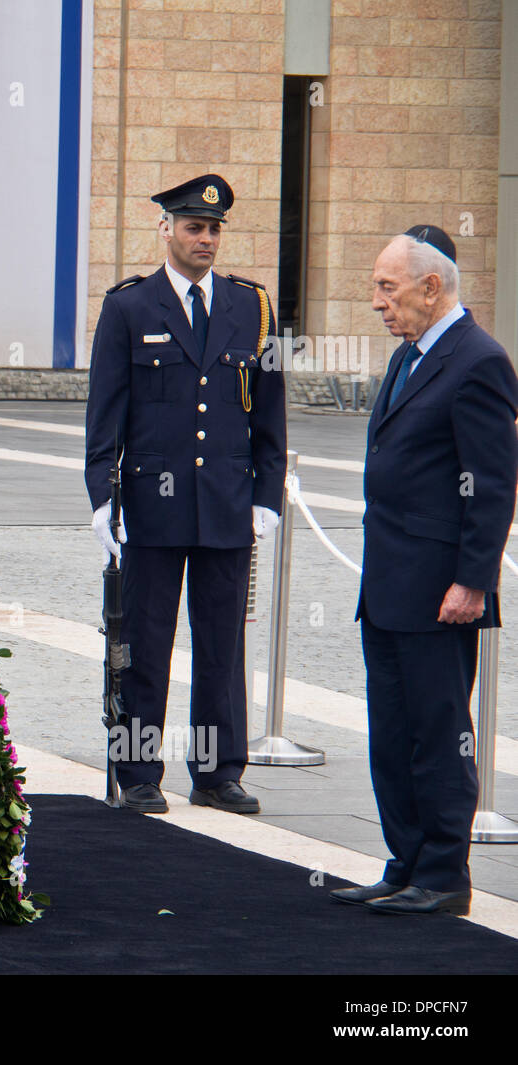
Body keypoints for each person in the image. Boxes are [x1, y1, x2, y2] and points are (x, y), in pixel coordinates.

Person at [84, 174, 287, 815]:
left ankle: (217, 772)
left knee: (222, 644)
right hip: (152, 503)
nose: (206, 238)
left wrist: (269, 495)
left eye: (214, 228)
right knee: (145, 639)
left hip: (227, 500)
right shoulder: (129, 307)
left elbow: (271, 411)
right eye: (194, 227)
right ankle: (139, 770)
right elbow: (105, 413)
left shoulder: (251, 308)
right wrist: (101, 497)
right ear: (165, 228)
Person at [331, 226, 518, 916]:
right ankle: (405, 859)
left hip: (442, 592)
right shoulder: (412, 355)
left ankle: (443, 873)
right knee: (392, 732)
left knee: (439, 732)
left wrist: (473, 579)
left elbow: (493, 482)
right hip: (388, 586)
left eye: (387, 286)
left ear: (430, 287)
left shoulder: (478, 361)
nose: (377, 301)